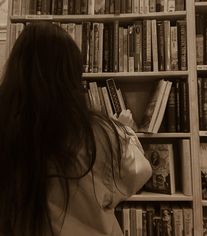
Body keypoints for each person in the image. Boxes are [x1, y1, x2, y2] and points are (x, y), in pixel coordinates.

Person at [0, 22, 152, 236]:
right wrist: (124, 131)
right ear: (70, 76)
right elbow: (138, 174)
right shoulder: (98, 133)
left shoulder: (7, 130)